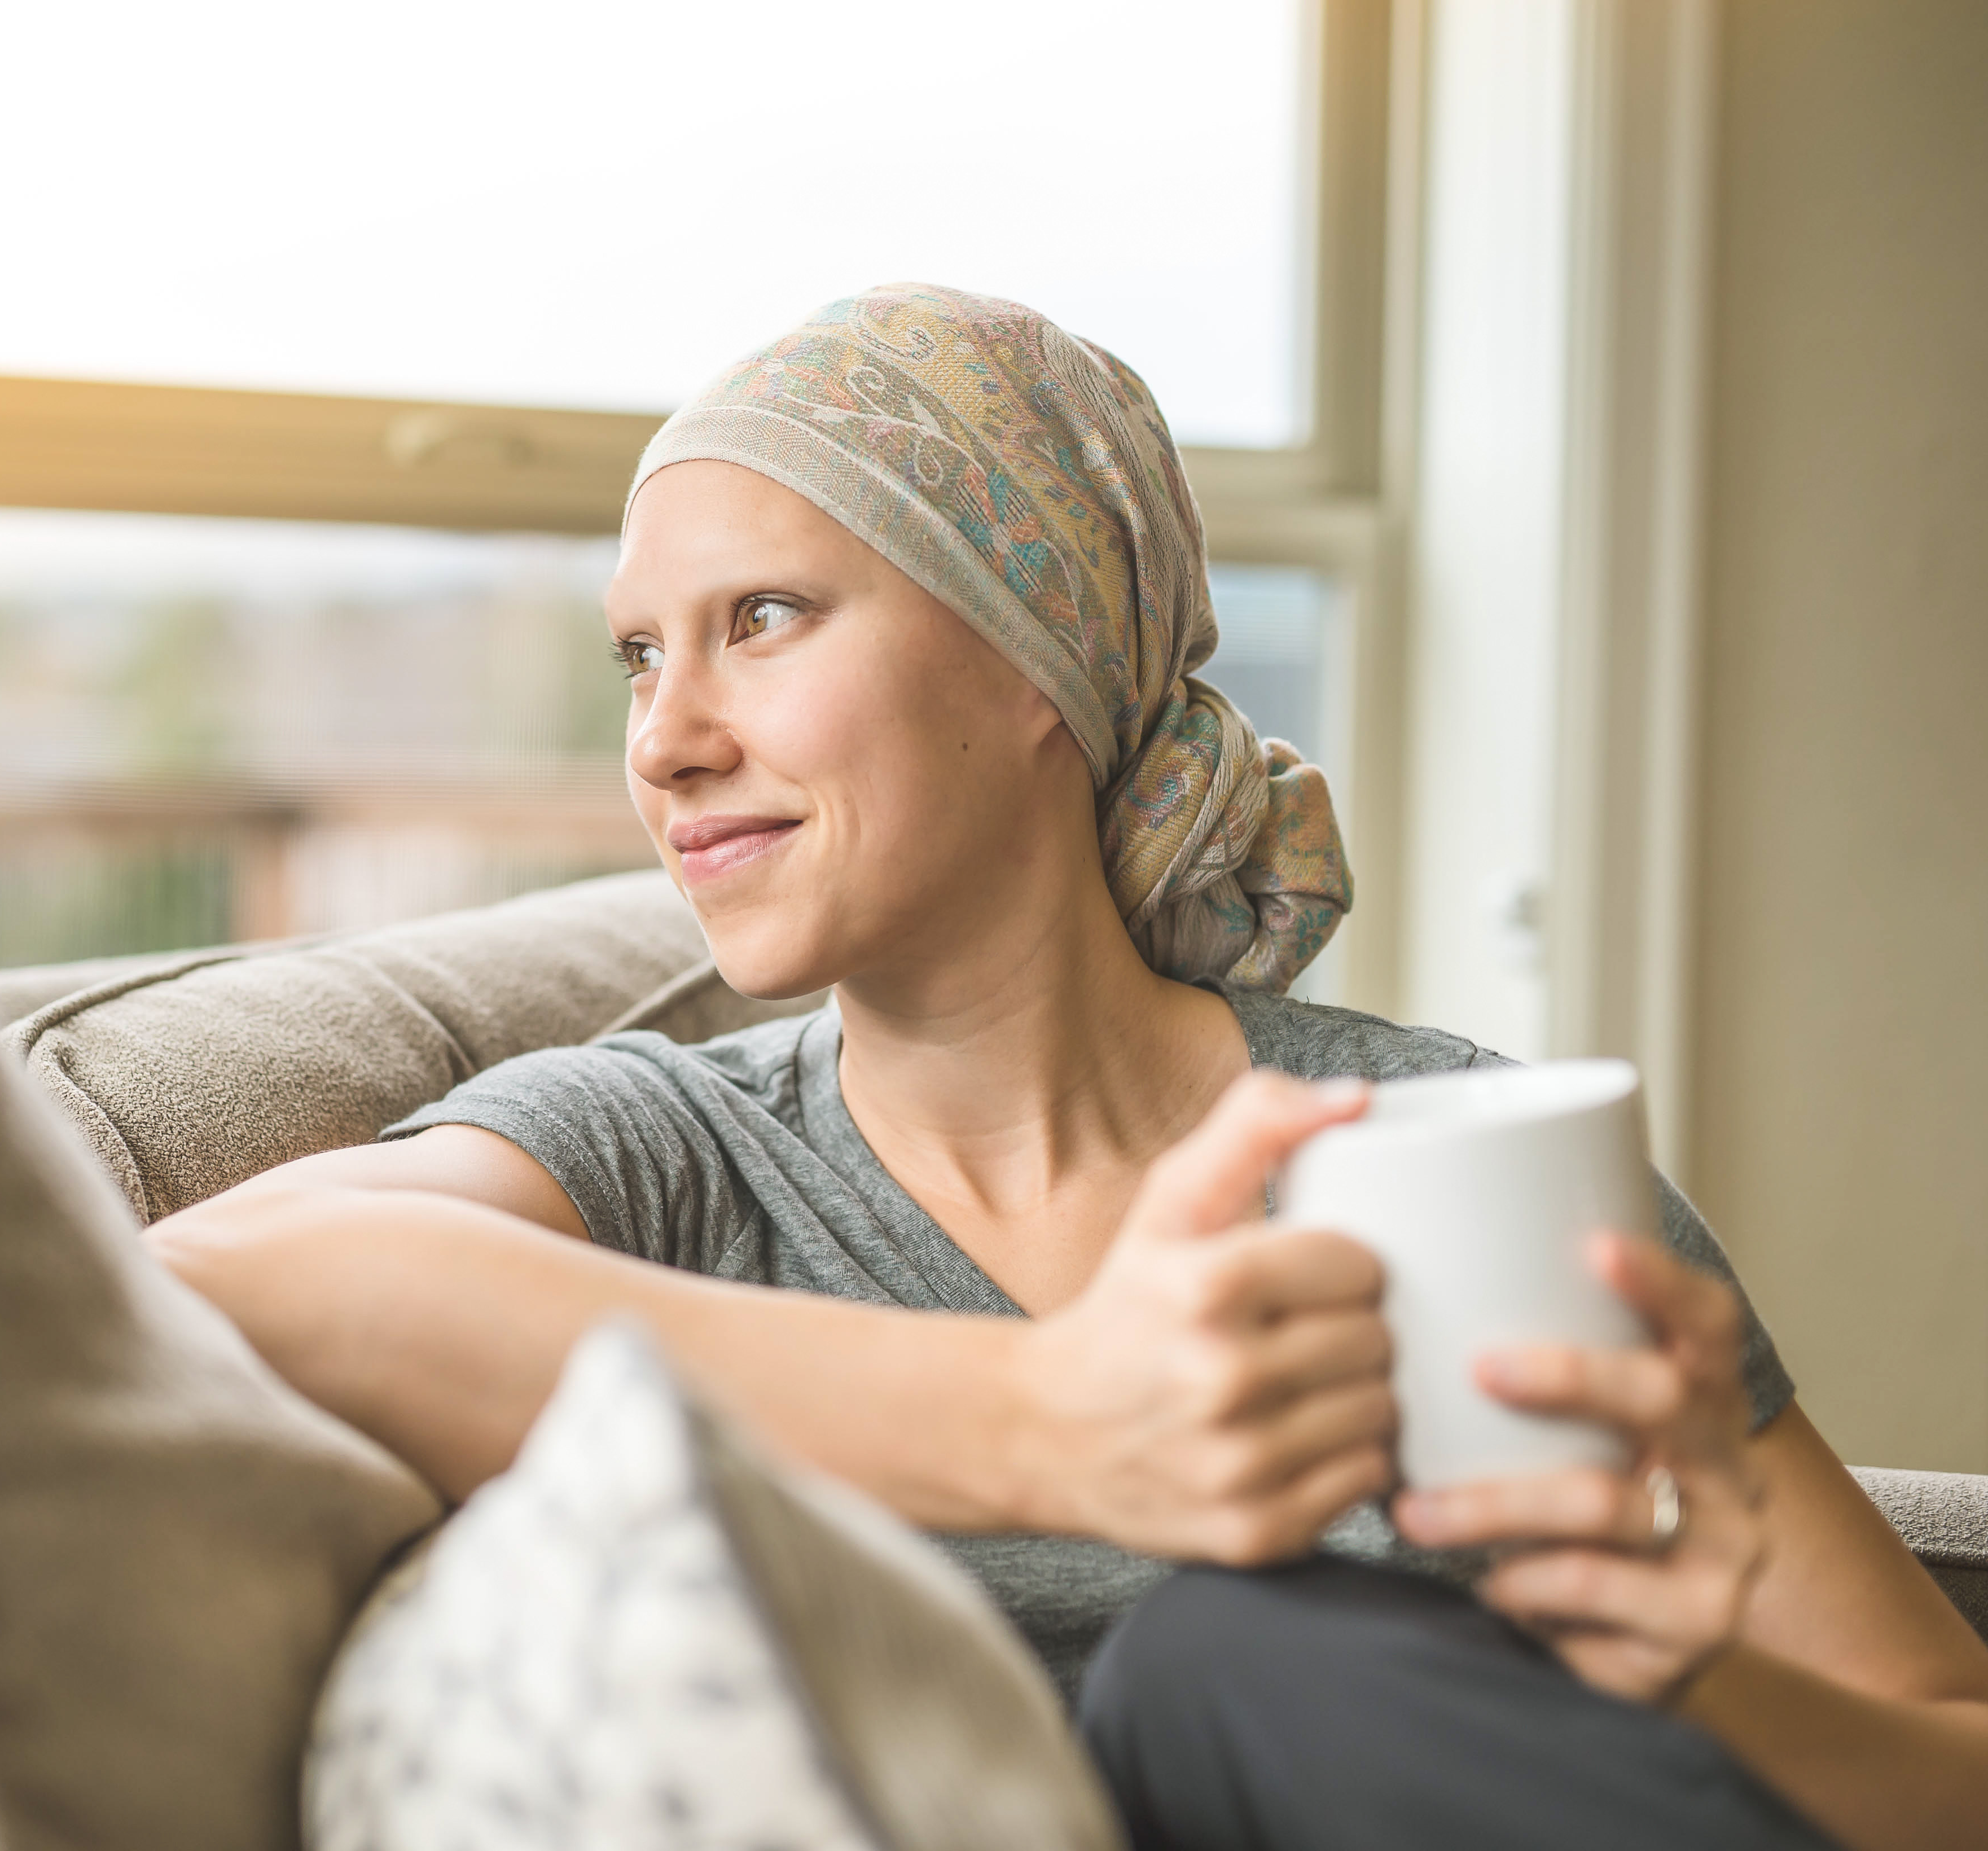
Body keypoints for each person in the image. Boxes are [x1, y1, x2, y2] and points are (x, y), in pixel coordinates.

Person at [150, 284, 1988, 1849]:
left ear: (1039, 658)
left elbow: (1947, 1753)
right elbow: (220, 1280)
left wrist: (1693, 1685)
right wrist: (1055, 1426)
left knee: (1242, 1662)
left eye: (760, 621)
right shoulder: (668, 1159)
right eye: (640, 656)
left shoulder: (1443, 1156)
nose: (668, 740)